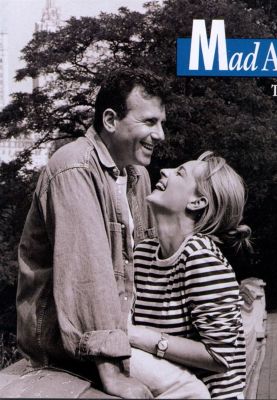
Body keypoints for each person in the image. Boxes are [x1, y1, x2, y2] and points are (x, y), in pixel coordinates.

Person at [16, 68, 167, 398]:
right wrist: (112, 373)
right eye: (150, 122)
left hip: (123, 337)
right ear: (110, 120)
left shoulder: (138, 176)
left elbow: (143, 267)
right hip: (69, 352)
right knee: (189, 389)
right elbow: (88, 275)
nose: (160, 135)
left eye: (161, 123)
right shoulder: (73, 167)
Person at [128, 151, 251, 399]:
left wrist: (143, 337)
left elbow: (222, 357)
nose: (164, 171)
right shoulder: (142, 254)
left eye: (180, 173)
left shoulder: (201, 258)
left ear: (197, 202)